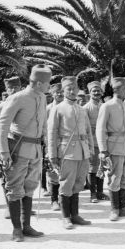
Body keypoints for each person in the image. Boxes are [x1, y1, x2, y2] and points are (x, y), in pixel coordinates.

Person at [0, 65, 52, 241]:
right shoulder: (18, 98)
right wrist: (3, 152)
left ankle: (26, 226)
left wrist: (47, 150)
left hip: (35, 151)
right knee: (14, 188)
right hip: (17, 150)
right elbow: (1, 126)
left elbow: (44, 126)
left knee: (29, 188)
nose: (49, 86)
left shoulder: (42, 97)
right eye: (48, 83)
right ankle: (16, 229)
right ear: (39, 83)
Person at [48, 76, 95, 228]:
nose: (73, 91)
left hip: (82, 151)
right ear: (63, 91)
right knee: (66, 183)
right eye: (69, 89)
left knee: (79, 182)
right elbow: (52, 133)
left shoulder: (81, 109)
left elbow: (88, 131)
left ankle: (75, 215)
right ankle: (65, 217)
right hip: (66, 150)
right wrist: (53, 154)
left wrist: (91, 149)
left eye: (75, 88)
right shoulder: (58, 108)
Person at [97, 77, 125, 221]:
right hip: (114, 147)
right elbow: (100, 129)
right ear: (116, 90)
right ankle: (114, 209)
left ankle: (124, 207)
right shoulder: (107, 106)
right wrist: (103, 150)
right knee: (115, 177)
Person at [0, 76, 23, 219]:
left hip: (21, 147)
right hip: (6, 148)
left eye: (16, 87)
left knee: (23, 177)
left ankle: (21, 207)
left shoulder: (24, 105)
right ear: (6, 90)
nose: (13, 90)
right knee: (7, 179)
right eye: (10, 88)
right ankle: (9, 207)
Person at [82, 81, 108, 203]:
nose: (97, 93)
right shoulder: (86, 108)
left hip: (104, 141)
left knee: (102, 166)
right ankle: (92, 194)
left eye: (98, 91)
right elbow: (85, 128)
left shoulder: (105, 106)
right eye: (94, 91)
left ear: (102, 92)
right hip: (92, 141)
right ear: (90, 93)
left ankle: (100, 192)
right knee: (92, 168)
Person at [45, 82, 64, 209]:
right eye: (57, 92)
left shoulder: (67, 107)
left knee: (66, 173)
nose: (60, 94)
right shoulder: (47, 109)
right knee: (53, 173)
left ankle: (64, 199)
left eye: (62, 92)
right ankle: (54, 200)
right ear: (52, 94)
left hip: (65, 144)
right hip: (51, 144)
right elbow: (44, 128)